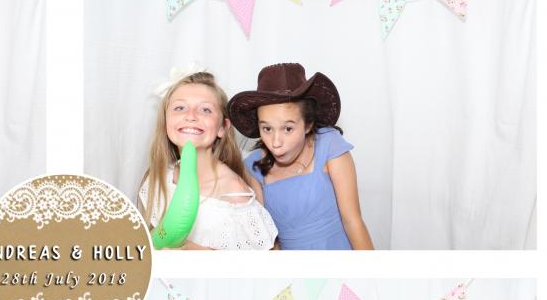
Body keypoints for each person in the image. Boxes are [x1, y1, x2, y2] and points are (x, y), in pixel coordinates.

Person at [228, 63, 373, 250]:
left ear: (308, 124)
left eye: (288, 128)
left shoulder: (330, 145)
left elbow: (353, 221)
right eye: (267, 128)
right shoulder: (253, 166)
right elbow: (268, 243)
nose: (275, 142)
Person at [138, 70, 277, 250]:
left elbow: (256, 263)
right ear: (166, 121)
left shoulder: (234, 193)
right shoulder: (159, 177)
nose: (191, 116)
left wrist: (198, 251)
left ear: (222, 127)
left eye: (205, 110)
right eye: (180, 108)